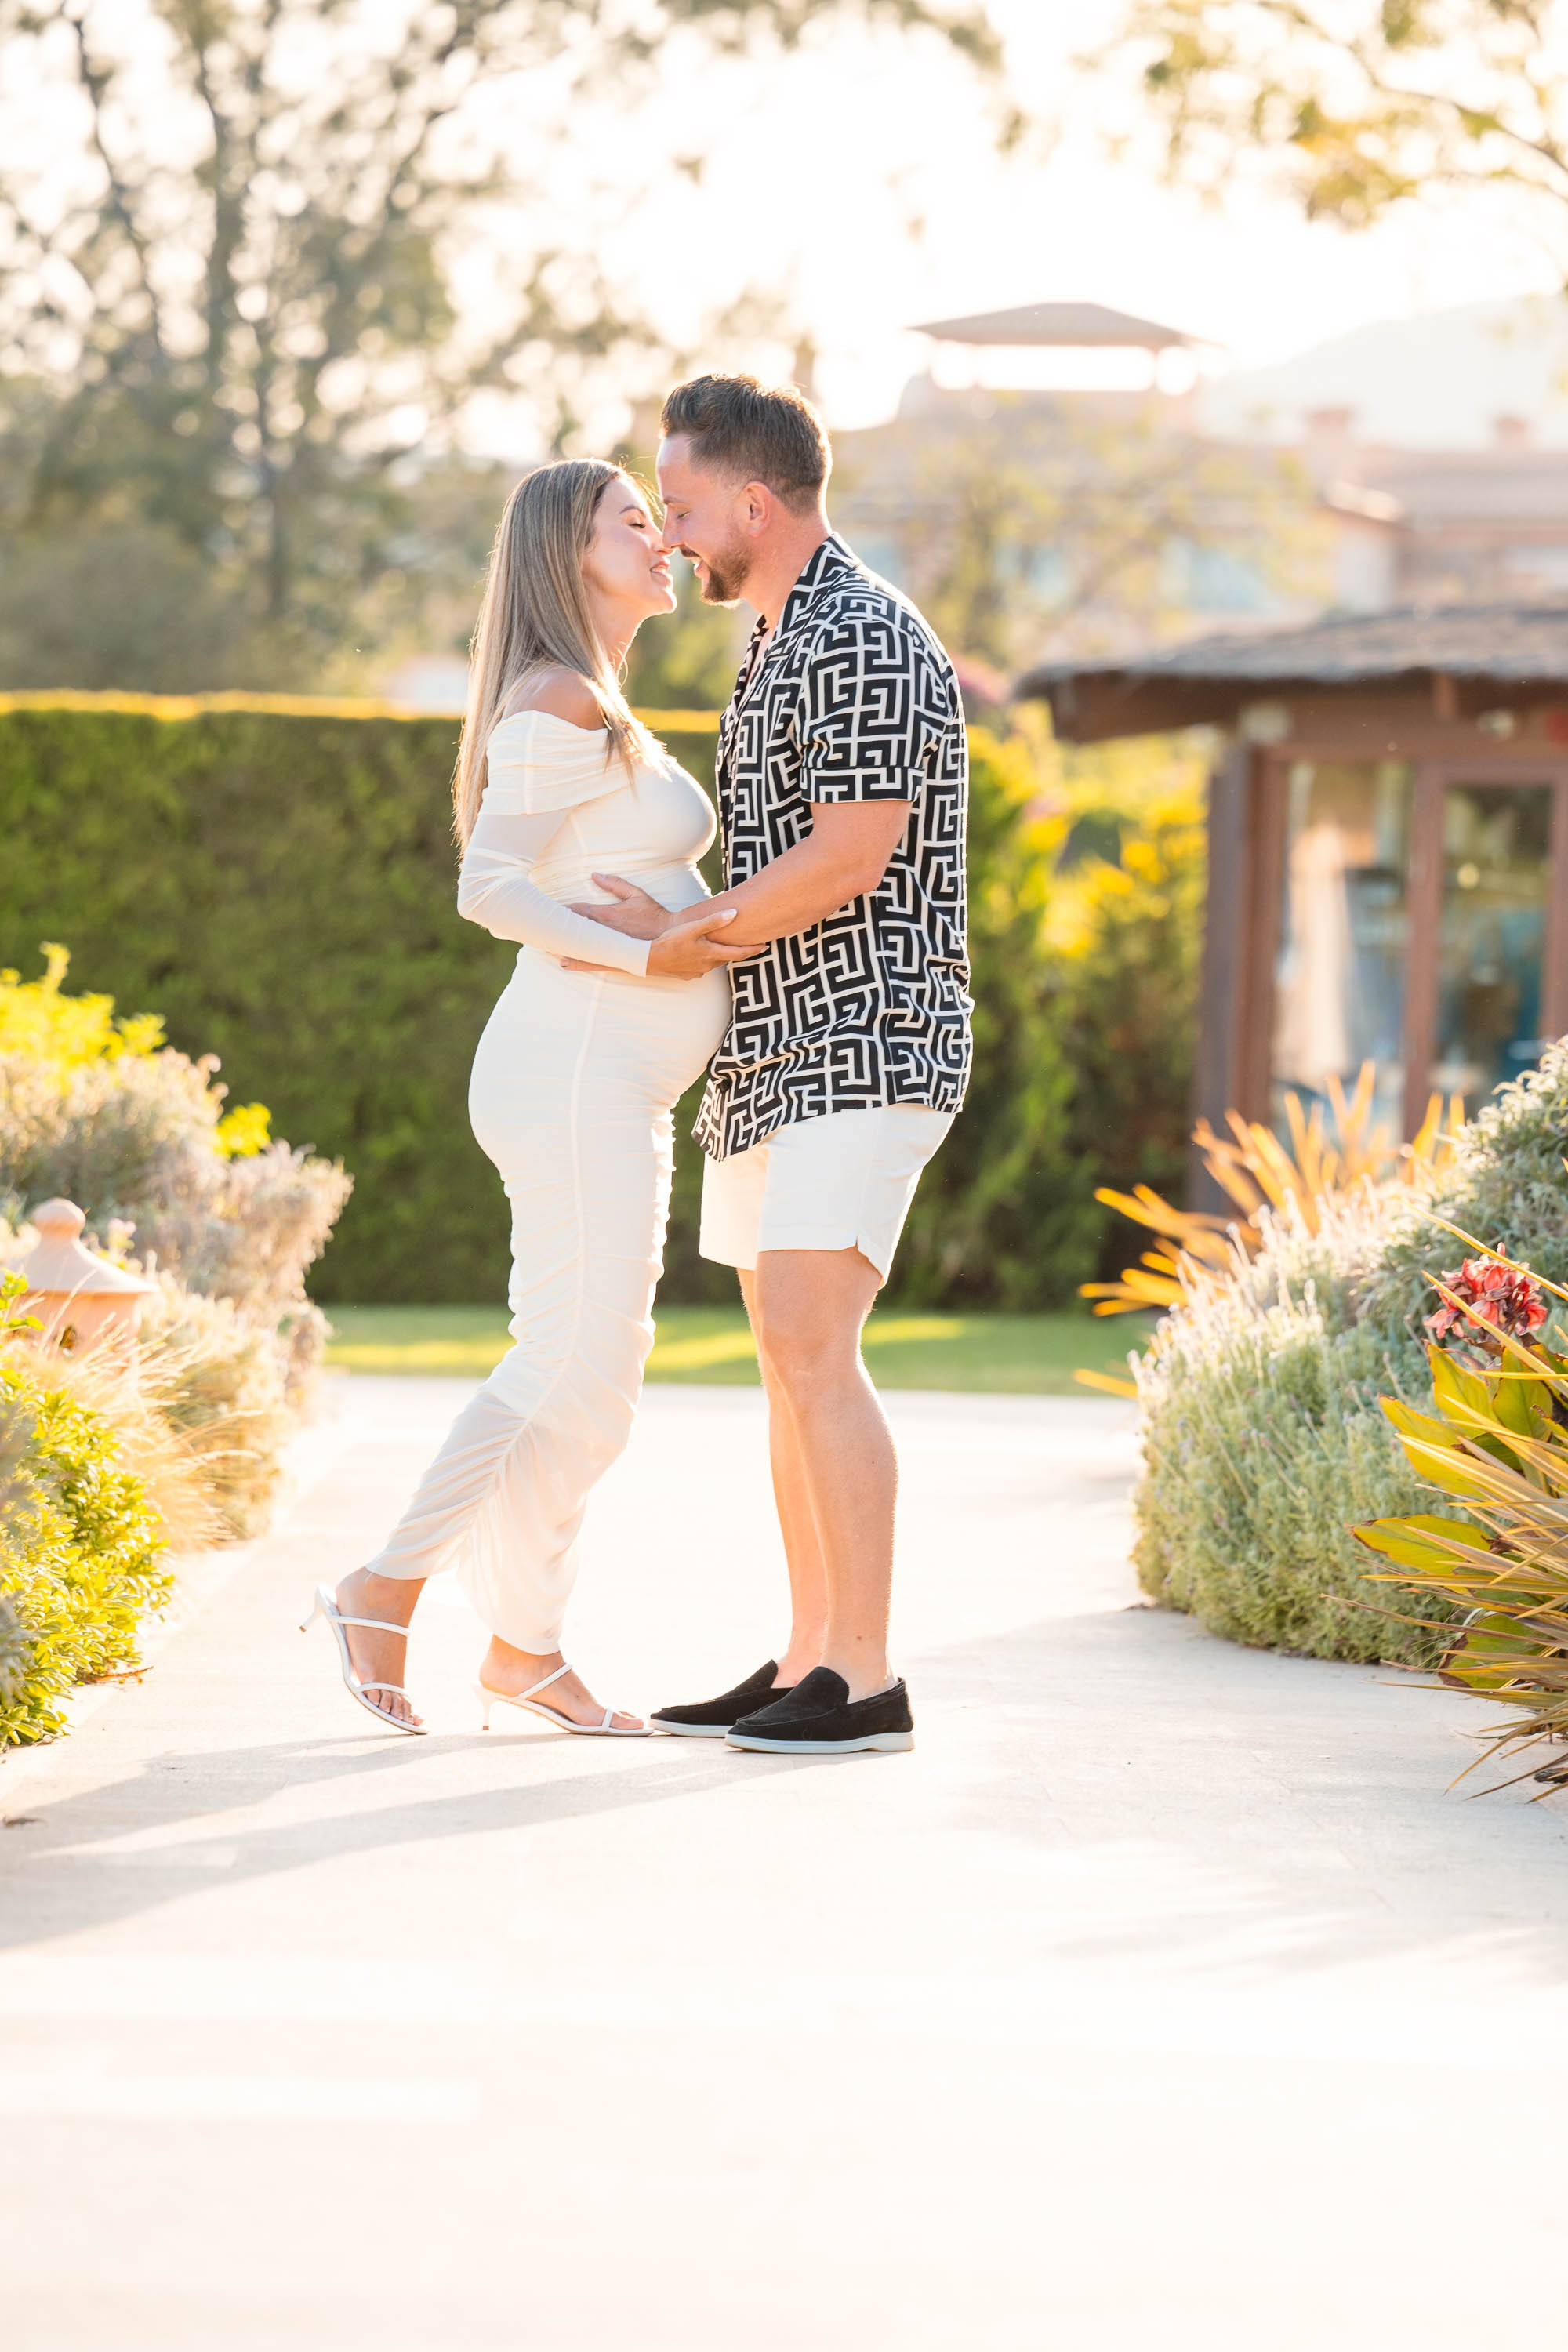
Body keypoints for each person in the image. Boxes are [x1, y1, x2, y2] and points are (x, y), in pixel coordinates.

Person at [303, 459, 752, 1735]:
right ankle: (382, 1589)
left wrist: (681, 928)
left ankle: (523, 1651)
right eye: (633, 521)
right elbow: (488, 887)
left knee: (593, 1381)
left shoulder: (595, 699)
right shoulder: (556, 700)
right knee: (567, 1369)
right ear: (570, 550)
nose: (662, 538)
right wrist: (651, 950)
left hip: (609, 1077)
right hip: (575, 1069)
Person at [568, 375, 972, 1757]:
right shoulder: (773, 636)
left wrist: (686, 932)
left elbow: (852, 852)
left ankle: (864, 1681)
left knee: (816, 1346)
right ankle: (808, 1656)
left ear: (753, 502)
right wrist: (672, 927)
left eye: (678, 507)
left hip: (869, 1038)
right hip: (781, 1051)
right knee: (787, 1360)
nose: (669, 534)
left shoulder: (857, 631)